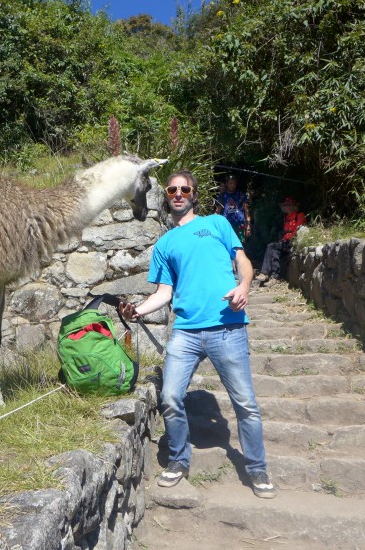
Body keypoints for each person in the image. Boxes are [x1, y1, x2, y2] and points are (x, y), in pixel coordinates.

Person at [118, 169, 276, 499]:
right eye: (172, 189)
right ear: (167, 196)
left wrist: (244, 286)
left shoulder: (217, 224)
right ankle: (178, 460)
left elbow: (243, 261)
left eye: (184, 189)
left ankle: (257, 468)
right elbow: (163, 293)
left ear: (194, 193)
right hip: (186, 332)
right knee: (171, 397)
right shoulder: (164, 245)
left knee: (244, 403)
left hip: (227, 326)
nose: (178, 193)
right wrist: (137, 310)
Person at [255, 196, 306, 285]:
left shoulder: (299, 215)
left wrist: (288, 238)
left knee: (272, 246)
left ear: (294, 206)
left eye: (290, 205)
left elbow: (299, 230)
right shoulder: (286, 218)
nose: (288, 207)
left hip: (293, 242)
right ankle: (273, 276)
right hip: (284, 242)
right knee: (274, 249)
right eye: (286, 205)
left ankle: (267, 274)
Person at [215, 173, 251, 242]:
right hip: (226, 225)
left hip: (240, 225)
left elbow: (246, 211)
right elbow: (217, 211)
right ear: (227, 184)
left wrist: (248, 226)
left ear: (236, 184)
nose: (232, 185)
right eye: (230, 183)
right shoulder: (222, 196)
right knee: (226, 245)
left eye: (234, 183)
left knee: (240, 244)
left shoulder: (241, 195)